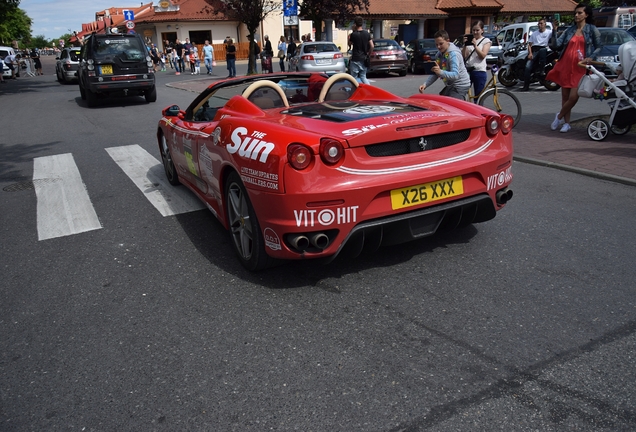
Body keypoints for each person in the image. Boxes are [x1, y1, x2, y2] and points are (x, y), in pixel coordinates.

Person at [546, 3, 601, 133]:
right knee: (565, 97)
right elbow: (557, 45)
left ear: (586, 15)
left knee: (573, 97)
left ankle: (558, 116)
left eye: (580, 13)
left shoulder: (592, 29)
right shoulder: (569, 30)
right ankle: (567, 123)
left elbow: (599, 46)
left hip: (580, 67)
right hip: (565, 65)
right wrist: (554, 30)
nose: (576, 15)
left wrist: (591, 57)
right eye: (575, 13)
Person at [419, 30, 471, 100]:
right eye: (436, 44)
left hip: (460, 86)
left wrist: (440, 72)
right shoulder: (439, 54)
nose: (439, 47)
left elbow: (455, 75)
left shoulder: (453, 55)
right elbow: (436, 72)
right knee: (441, 101)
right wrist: (425, 85)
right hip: (450, 85)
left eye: (441, 44)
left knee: (451, 107)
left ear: (448, 41)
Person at [462, 20, 491, 99]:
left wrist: (475, 46)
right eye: (473, 30)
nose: (475, 32)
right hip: (468, 70)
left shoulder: (486, 41)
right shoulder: (470, 40)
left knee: (478, 96)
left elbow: (482, 55)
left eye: (477, 30)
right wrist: (465, 45)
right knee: (464, 93)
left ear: (482, 30)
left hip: (479, 71)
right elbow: (464, 56)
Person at [521, 19, 552, 91]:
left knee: (542, 50)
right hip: (535, 50)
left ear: (545, 24)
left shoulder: (549, 32)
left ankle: (542, 70)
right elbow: (529, 45)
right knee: (527, 67)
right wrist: (530, 53)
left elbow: (556, 35)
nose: (539, 25)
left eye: (541, 23)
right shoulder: (534, 33)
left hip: (544, 50)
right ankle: (526, 85)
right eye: (539, 24)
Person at [348, 16, 374, 85]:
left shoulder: (353, 35)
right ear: (362, 24)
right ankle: (369, 90)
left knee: (354, 78)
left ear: (355, 24)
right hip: (364, 58)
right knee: (363, 77)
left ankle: (354, 92)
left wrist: (353, 31)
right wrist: (368, 54)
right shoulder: (367, 34)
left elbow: (349, 43)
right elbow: (372, 46)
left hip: (355, 58)